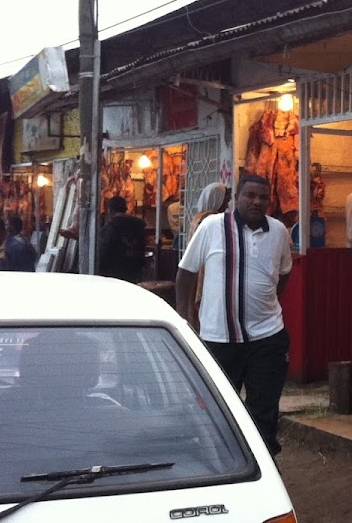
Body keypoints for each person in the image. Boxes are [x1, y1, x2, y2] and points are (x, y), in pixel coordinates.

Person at [176, 174, 293, 457]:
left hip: (267, 338)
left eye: (263, 197)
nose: (256, 201)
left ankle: (263, 467)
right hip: (219, 338)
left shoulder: (279, 232)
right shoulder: (212, 227)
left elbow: (285, 272)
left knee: (264, 409)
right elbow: (186, 273)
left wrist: (268, 304)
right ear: (236, 197)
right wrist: (185, 320)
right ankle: (223, 464)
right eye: (250, 195)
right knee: (218, 407)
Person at [183, 183, 231, 332]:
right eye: (226, 199)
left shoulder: (199, 217)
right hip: (205, 271)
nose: (228, 204)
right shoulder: (211, 219)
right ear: (217, 199)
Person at [98, 196, 148, 283]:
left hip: (113, 271)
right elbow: (142, 246)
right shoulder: (138, 225)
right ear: (125, 208)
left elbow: (104, 250)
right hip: (134, 270)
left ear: (109, 210)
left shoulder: (111, 226)